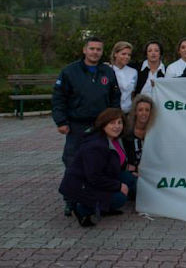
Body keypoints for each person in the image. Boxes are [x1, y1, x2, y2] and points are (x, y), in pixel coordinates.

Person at [52, 36, 120, 216]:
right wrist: (61, 121)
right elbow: (59, 99)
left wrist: (114, 121)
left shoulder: (108, 72)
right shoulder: (69, 72)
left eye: (98, 49)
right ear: (84, 50)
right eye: (92, 49)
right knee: (73, 162)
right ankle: (71, 200)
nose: (95, 52)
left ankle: (97, 199)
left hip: (101, 127)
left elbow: (115, 98)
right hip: (77, 126)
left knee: (100, 163)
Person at [59, 108, 136, 227]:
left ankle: (103, 207)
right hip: (82, 186)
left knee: (129, 178)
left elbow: (115, 162)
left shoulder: (114, 139)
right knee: (120, 198)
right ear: (103, 125)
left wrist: (131, 169)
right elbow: (94, 177)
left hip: (96, 179)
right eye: (112, 123)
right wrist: (118, 185)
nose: (117, 126)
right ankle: (82, 210)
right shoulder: (96, 146)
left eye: (119, 122)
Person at [122, 94, 156, 182]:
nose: (144, 113)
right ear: (135, 112)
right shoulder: (127, 133)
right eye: (140, 110)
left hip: (152, 172)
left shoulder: (154, 133)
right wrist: (132, 170)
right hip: (133, 174)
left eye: (147, 110)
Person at [110, 41, 137, 114]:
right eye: (123, 54)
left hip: (128, 112)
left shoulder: (133, 72)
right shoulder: (108, 70)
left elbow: (132, 94)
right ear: (115, 54)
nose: (127, 57)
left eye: (129, 55)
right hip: (112, 112)